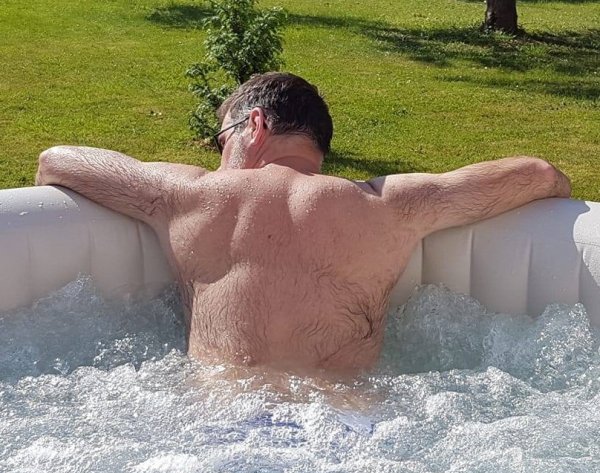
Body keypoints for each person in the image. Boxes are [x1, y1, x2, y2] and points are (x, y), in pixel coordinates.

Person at [36, 72, 571, 373]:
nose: (220, 159)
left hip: (216, 431)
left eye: (221, 142)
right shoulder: (389, 206)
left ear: (255, 125)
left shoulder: (188, 195)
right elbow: (541, 175)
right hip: (348, 433)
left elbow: (56, 162)